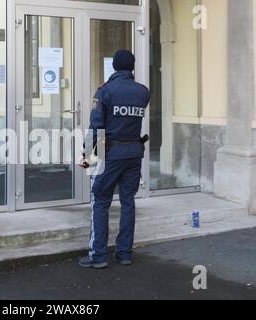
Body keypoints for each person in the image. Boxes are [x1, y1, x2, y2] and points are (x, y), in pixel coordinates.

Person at [79, 50, 150, 269]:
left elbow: (97, 126)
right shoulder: (143, 92)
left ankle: (98, 256)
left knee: (100, 201)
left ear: (114, 67)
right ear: (132, 68)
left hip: (110, 156)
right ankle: (124, 253)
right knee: (128, 202)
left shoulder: (105, 91)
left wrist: (88, 156)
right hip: (134, 155)